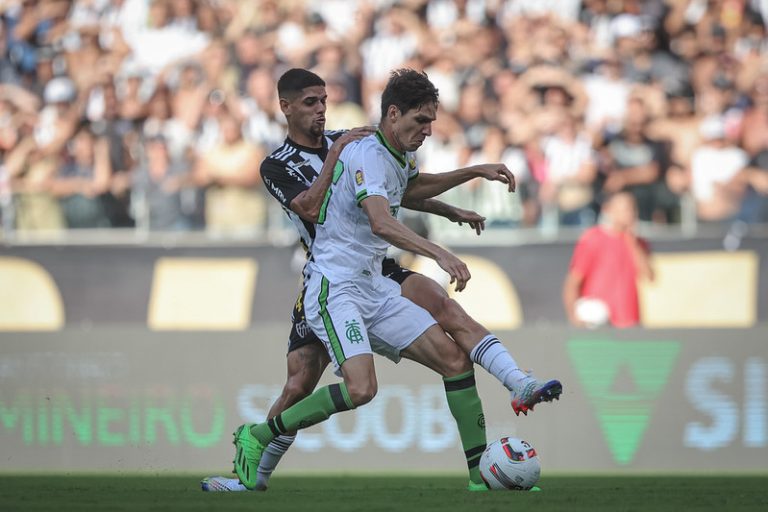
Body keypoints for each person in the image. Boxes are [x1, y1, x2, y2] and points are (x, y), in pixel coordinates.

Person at [218, 68, 561, 493]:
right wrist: (438, 250)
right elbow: (315, 208)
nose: (322, 110)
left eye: (324, 100)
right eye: (311, 102)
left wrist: (458, 199)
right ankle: (257, 452)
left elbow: (405, 187)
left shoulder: (362, 141)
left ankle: (487, 455)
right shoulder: (282, 163)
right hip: (330, 278)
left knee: (450, 340)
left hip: (374, 273)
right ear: (285, 106)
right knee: (305, 382)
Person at [562, 191, 654, 328]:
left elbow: (650, 276)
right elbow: (573, 282)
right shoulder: (593, 238)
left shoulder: (638, 243)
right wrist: (573, 314)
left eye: (633, 208)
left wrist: (632, 242)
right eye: (625, 209)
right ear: (609, 210)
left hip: (629, 322)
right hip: (601, 324)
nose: (630, 214)